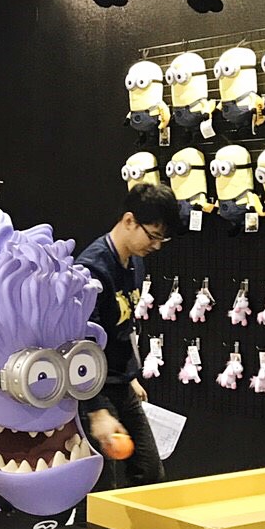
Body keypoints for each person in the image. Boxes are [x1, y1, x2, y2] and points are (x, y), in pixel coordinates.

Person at [75, 183, 178, 488]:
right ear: (129, 220)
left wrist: (131, 376)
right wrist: (96, 411)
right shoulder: (91, 270)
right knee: (99, 487)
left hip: (121, 384)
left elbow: (123, 326)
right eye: (153, 236)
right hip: (93, 388)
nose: (156, 245)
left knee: (149, 474)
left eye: (162, 239)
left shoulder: (135, 261)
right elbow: (80, 347)